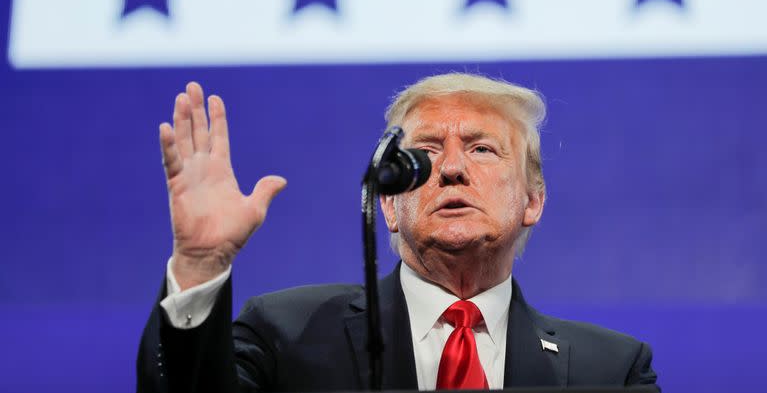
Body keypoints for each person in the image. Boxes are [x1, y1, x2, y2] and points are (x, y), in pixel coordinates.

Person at [137, 73, 658, 392]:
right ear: (388, 203)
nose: (451, 169)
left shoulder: (611, 370)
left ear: (533, 201)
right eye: (426, 151)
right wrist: (200, 264)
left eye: (481, 148)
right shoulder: (287, 335)